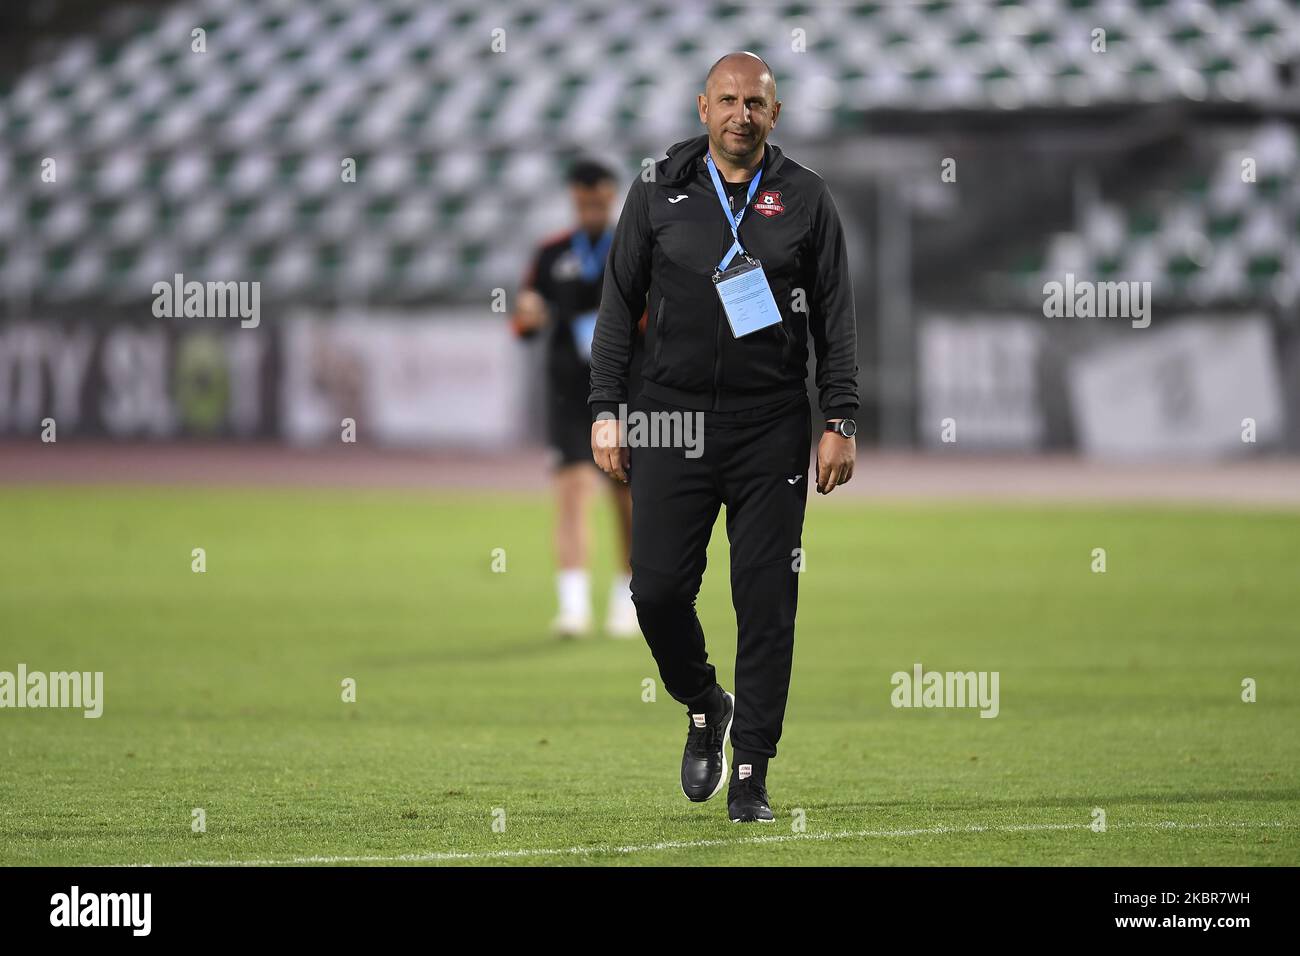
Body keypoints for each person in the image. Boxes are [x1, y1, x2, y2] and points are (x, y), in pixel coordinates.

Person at [587, 52, 859, 822]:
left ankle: (753, 774)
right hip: (669, 416)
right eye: (729, 100)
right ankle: (705, 701)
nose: (742, 114)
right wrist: (606, 407)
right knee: (657, 589)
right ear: (702, 106)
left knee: (766, 598)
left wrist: (839, 419)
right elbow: (618, 303)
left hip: (769, 422)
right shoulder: (657, 189)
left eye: (757, 104)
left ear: (776, 115)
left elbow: (836, 318)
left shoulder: (806, 197)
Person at [513, 160, 645, 639]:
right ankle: (572, 607)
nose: (594, 207)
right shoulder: (551, 254)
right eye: (586, 200)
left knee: (626, 499)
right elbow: (524, 322)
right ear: (574, 199)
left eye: (602, 199)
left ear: (612, 198)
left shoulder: (632, 247)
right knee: (570, 492)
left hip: (626, 391)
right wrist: (527, 314)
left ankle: (626, 601)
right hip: (570, 391)